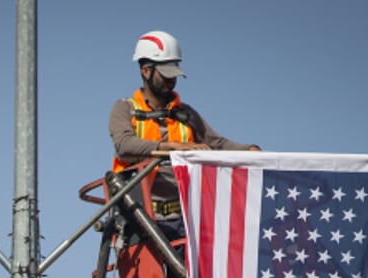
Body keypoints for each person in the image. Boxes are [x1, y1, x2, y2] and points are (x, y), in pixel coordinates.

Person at [109, 30, 260, 237]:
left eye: (174, 73)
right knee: (152, 271)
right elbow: (124, 146)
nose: (172, 80)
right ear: (146, 71)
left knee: (190, 270)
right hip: (140, 216)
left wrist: (249, 150)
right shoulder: (125, 109)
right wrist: (173, 148)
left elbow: (217, 143)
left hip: (185, 218)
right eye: (166, 74)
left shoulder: (185, 114)